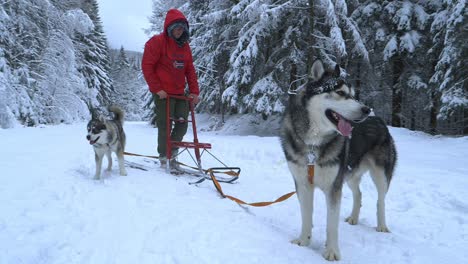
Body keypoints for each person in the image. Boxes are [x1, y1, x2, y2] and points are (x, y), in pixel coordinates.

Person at [142, 9, 200, 168]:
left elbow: (190, 70)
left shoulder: (185, 47)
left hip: (180, 93)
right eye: (177, 28)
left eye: (182, 28)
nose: (179, 31)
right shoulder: (157, 42)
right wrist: (157, 89)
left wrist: (194, 91)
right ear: (169, 27)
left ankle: (172, 153)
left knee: (182, 124)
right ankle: (163, 156)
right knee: (165, 125)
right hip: (163, 94)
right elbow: (147, 66)